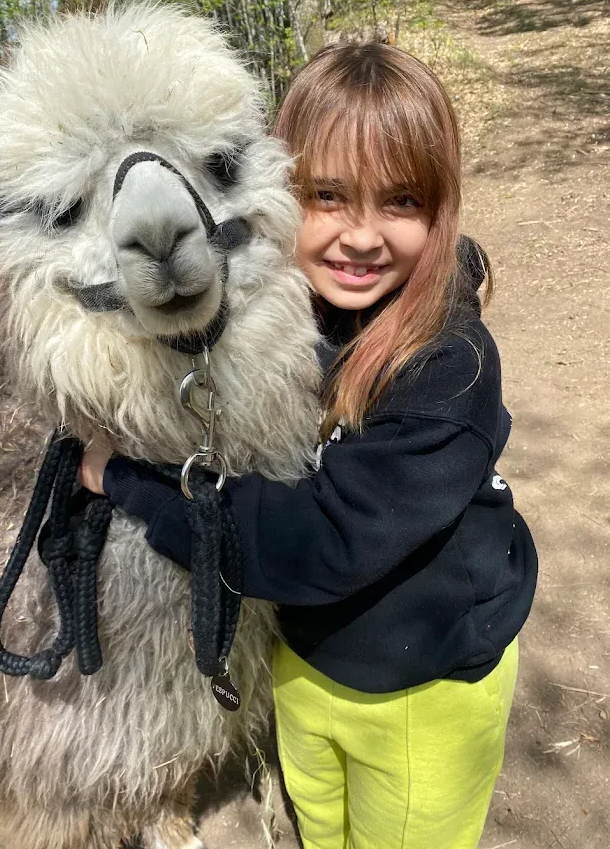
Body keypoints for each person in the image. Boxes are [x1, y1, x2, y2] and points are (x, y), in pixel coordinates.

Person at [79, 43, 538, 849]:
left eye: (400, 201)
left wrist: (125, 481)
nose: (360, 236)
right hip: (303, 664)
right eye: (326, 195)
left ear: (440, 210)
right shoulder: (292, 320)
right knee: (319, 829)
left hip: (418, 691)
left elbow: (322, 542)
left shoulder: (447, 367)